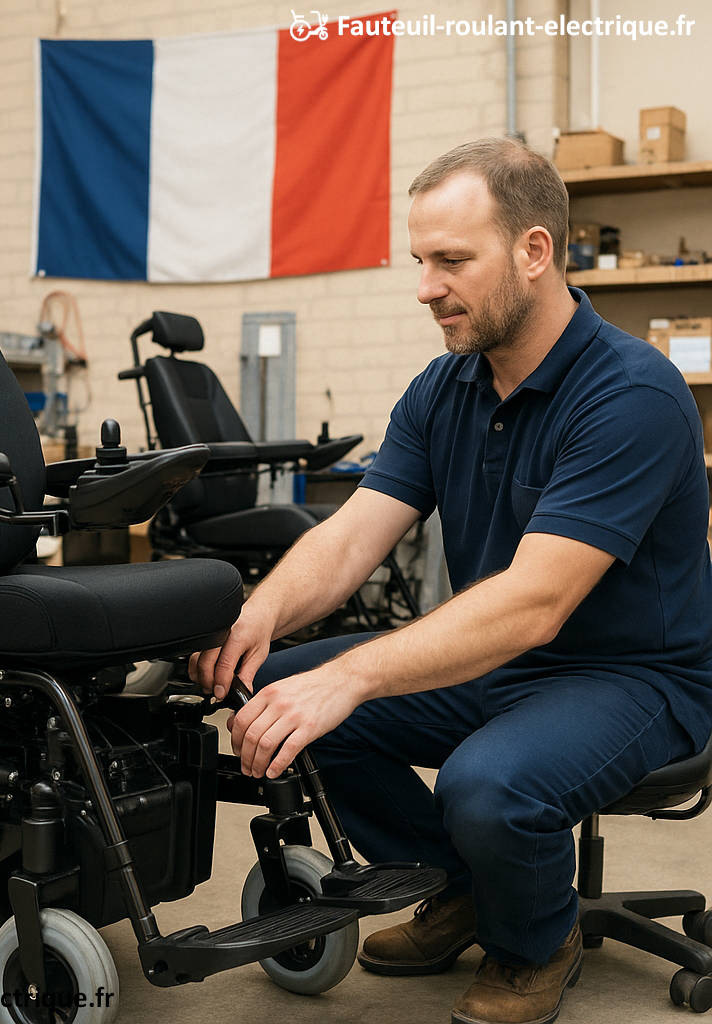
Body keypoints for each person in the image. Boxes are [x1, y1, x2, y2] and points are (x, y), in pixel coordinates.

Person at [189, 137, 712, 1024]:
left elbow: (538, 602)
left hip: (635, 678)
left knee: (486, 782)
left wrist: (350, 674)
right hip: (503, 662)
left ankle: (535, 943)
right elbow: (355, 534)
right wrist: (261, 613)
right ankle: (469, 888)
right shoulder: (444, 389)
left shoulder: (632, 394)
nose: (426, 285)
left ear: (534, 252)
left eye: (451, 261)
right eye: (421, 260)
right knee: (280, 695)